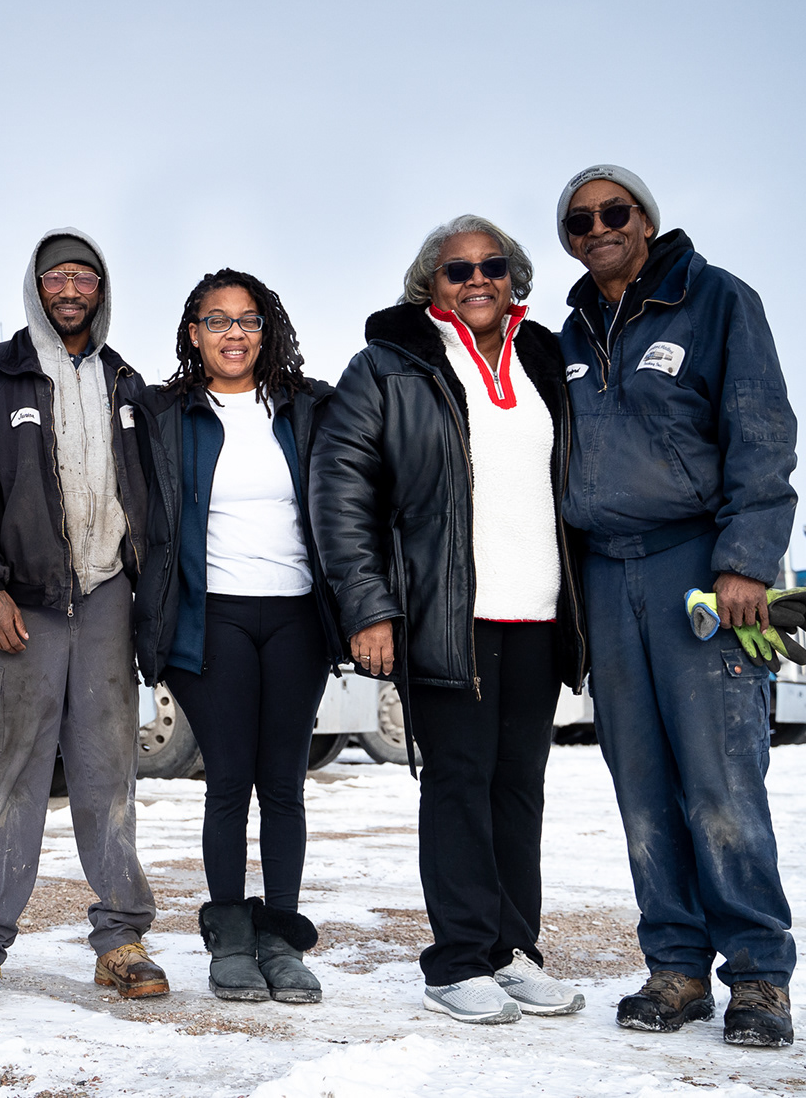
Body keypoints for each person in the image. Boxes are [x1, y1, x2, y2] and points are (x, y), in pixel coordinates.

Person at [309, 216, 587, 1025]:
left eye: (492, 266)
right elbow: (341, 492)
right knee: (459, 785)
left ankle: (513, 951)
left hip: (536, 613)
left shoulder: (544, 358)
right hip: (445, 617)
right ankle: (458, 960)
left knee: (518, 788)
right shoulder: (388, 367)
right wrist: (370, 607)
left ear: (515, 277)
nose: (477, 280)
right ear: (428, 282)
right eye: (457, 268)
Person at [554, 165, 801, 1047]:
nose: (598, 229)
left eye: (614, 213)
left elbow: (762, 434)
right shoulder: (569, 333)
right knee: (644, 788)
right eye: (580, 221)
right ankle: (676, 967)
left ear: (647, 222)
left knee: (722, 780)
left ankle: (760, 977)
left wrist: (746, 562)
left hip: (697, 566)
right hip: (603, 574)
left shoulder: (716, 301)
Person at [0, 228, 163, 1007]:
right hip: (23, 605)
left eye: (85, 278)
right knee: (8, 775)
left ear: (102, 290)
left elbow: (152, 498)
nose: (71, 289)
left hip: (108, 600)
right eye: (57, 277)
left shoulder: (127, 382)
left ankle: (122, 937)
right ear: (35, 286)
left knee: (109, 777)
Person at [131, 269, 340, 1003]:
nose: (233, 334)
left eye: (247, 320)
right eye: (217, 321)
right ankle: (230, 941)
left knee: (283, 784)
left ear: (267, 329)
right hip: (210, 616)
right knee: (229, 781)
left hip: (296, 617)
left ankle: (281, 939)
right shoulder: (164, 413)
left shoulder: (307, 408)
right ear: (194, 333)